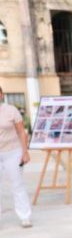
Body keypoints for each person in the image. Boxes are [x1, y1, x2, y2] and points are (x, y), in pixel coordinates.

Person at [0, 87, 32, 228]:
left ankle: (25, 216)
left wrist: (25, 152)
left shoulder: (11, 110)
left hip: (12, 152)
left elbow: (21, 132)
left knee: (17, 184)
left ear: (1, 95)